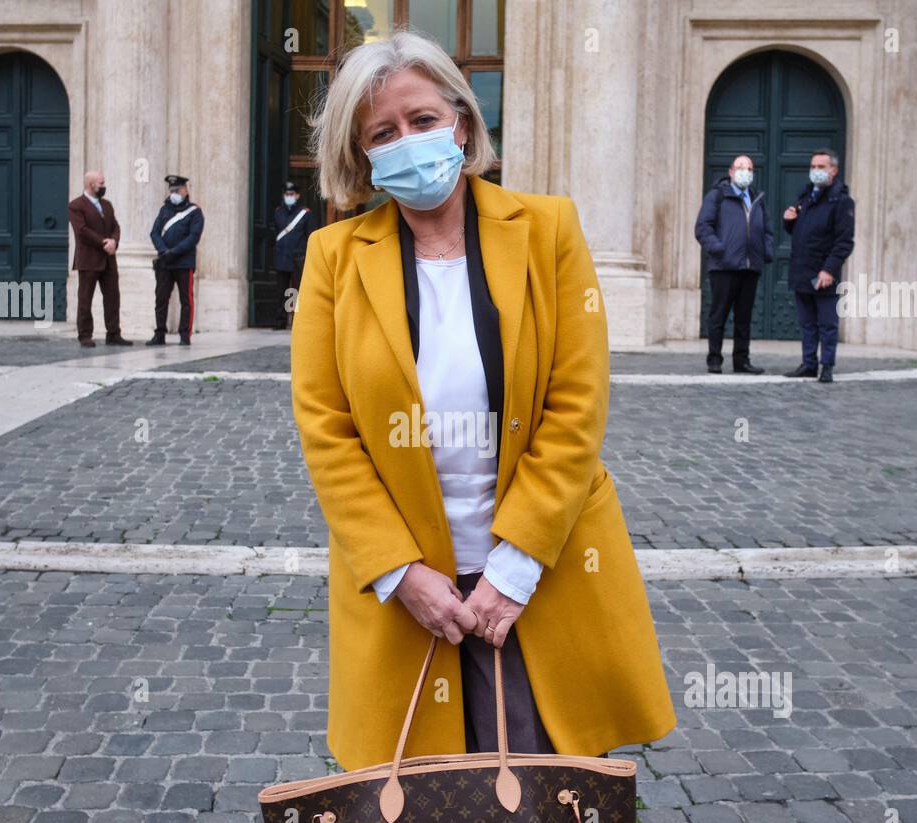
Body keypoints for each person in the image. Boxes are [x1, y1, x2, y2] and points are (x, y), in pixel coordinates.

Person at [292, 28, 677, 774]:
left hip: (540, 574)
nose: (407, 141)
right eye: (383, 133)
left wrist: (515, 565)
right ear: (361, 155)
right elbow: (326, 429)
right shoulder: (332, 259)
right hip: (406, 588)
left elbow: (576, 403)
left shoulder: (547, 229)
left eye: (423, 120)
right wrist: (400, 571)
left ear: (462, 123)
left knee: (545, 807)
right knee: (417, 818)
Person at [693, 155, 772, 374]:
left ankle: (742, 360)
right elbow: (702, 227)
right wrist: (719, 249)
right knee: (718, 315)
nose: (745, 171)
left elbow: (767, 229)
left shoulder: (757, 198)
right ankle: (714, 359)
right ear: (731, 171)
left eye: (748, 168)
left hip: (750, 266)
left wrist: (766, 251)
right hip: (724, 267)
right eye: (740, 167)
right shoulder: (717, 196)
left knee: (744, 318)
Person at [782, 148, 855, 383]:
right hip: (802, 270)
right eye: (813, 167)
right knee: (807, 323)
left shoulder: (842, 202)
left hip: (823, 273)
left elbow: (844, 242)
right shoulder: (806, 198)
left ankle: (827, 366)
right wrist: (789, 222)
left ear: (833, 170)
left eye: (821, 167)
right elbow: (803, 233)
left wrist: (828, 270)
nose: (816, 171)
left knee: (827, 324)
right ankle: (809, 363)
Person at [66, 170, 130, 347]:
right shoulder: (76, 205)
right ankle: (85, 335)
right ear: (90, 184)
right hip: (89, 260)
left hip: (109, 259)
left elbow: (115, 226)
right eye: (101, 183)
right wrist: (103, 242)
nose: (104, 186)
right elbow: (82, 230)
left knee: (112, 297)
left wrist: (114, 241)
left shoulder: (107, 205)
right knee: (85, 298)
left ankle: (114, 333)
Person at [147, 174, 205, 346]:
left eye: (177, 190)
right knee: (161, 299)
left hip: (184, 262)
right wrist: (163, 250)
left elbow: (193, 237)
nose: (174, 193)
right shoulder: (164, 210)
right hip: (165, 262)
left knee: (186, 300)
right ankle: (160, 333)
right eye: (172, 190)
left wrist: (174, 252)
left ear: (186, 190)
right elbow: (154, 232)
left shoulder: (195, 212)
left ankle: (185, 335)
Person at [273, 181, 312, 329]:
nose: (289, 196)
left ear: (297, 195)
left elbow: (309, 235)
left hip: (297, 258)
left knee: (294, 291)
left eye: (291, 194)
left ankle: (295, 320)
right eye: (287, 194)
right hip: (282, 256)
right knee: (281, 291)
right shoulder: (278, 212)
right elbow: (275, 231)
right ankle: (280, 321)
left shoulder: (304, 213)